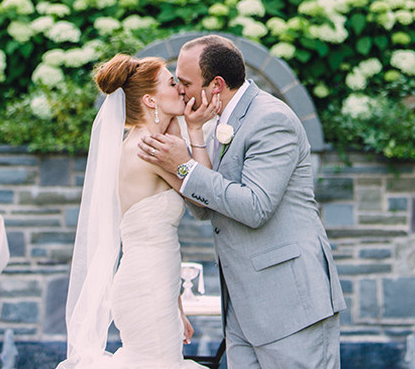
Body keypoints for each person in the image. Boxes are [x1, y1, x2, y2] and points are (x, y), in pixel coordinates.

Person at [137, 34, 345, 369]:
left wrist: (185, 166)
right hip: (242, 310)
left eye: (187, 83)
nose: (181, 91)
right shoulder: (220, 122)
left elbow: (254, 207)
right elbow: (206, 208)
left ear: (216, 84)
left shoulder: (271, 119)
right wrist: (191, 140)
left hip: (290, 306)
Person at [58, 53, 220, 369]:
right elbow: (205, 196)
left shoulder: (147, 141)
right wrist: (196, 131)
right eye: (172, 84)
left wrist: (177, 307)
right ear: (149, 99)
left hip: (153, 284)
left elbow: (153, 241)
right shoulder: (150, 150)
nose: (181, 90)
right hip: (147, 288)